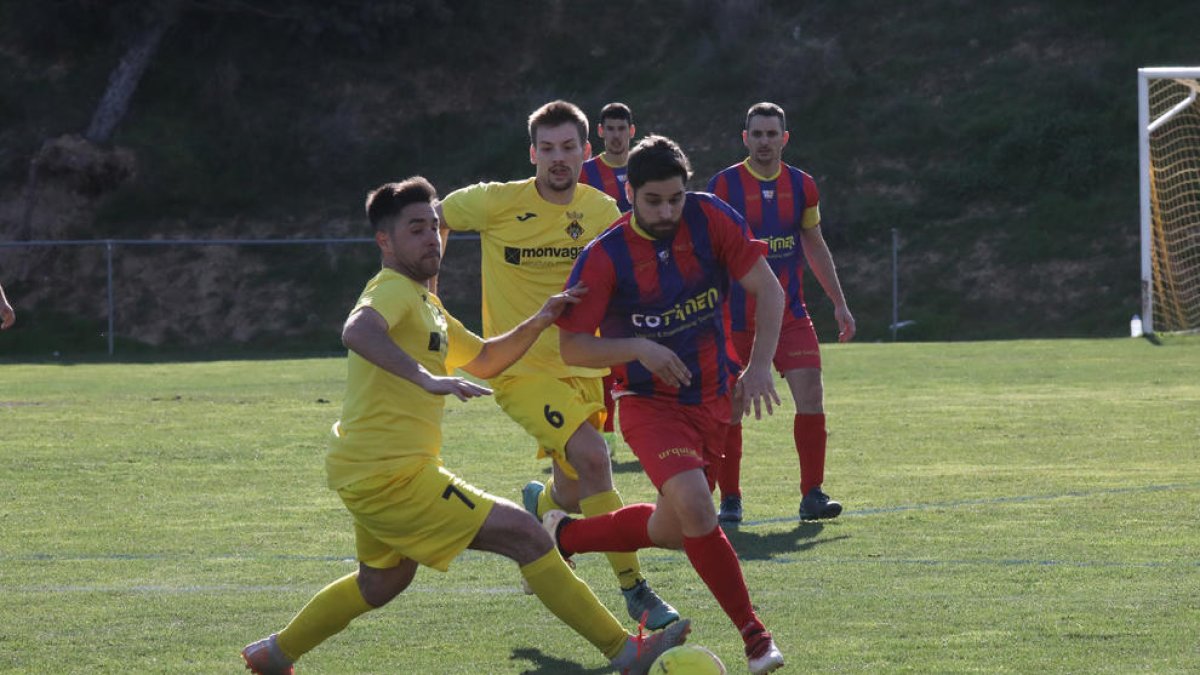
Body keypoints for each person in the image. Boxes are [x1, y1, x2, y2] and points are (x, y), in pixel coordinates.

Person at [240, 178, 690, 675]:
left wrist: (540, 319)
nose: (432, 238)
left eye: (435, 227)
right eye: (416, 229)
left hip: (368, 470)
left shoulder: (427, 304)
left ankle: (274, 655)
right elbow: (358, 329)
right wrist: (425, 378)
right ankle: (627, 653)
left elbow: (487, 358)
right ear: (384, 242)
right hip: (393, 477)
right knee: (528, 534)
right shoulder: (392, 290)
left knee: (381, 582)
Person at [436, 100, 678, 629]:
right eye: (547, 149)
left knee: (572, 486)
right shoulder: (495, 203)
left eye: (569, 147)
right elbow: (435, 215)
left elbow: (631, 272)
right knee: (594, 458)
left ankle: (541, 501)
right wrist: (430, 292)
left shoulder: (602, 210)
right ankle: (635, 589)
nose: (558, 158)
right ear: (532, 153)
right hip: (518, 370)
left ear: (586, 151)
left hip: (583, 365)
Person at [551, 135, 787, 675]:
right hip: (647, 402)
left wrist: (756, 369)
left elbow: (768, 291)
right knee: (699, 508)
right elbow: (572, 346)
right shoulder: (604, 256)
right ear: (629, 193)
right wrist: (638, 347)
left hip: (713, 398)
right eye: (653, 200)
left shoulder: (710, 218)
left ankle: (564, 534)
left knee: (675, 527)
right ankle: (756, 638)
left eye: (675, 198)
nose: (666, 211)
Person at [706, 101, 856, 523]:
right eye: (757, 134)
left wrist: (839, 303)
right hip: (735, 318)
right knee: (732, 405)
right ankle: (730, 499)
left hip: (791, 313)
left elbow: (814, 243)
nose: (765, 142)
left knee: (811, 395)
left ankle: (813, 494)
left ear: (784, 138)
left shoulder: (803, 186)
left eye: (772, 134)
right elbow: (709, 255)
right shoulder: (723, 187)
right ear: (745, 138)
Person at [579, 102, 637, 451]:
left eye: (622, 129)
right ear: (600, 132)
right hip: (598, 276)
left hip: (638, 276)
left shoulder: (644, 166)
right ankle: (606, 436)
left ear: (632, 131)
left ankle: (645, 428)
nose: (616, 135)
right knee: (600, 356)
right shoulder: (585, 173)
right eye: (610, 129)